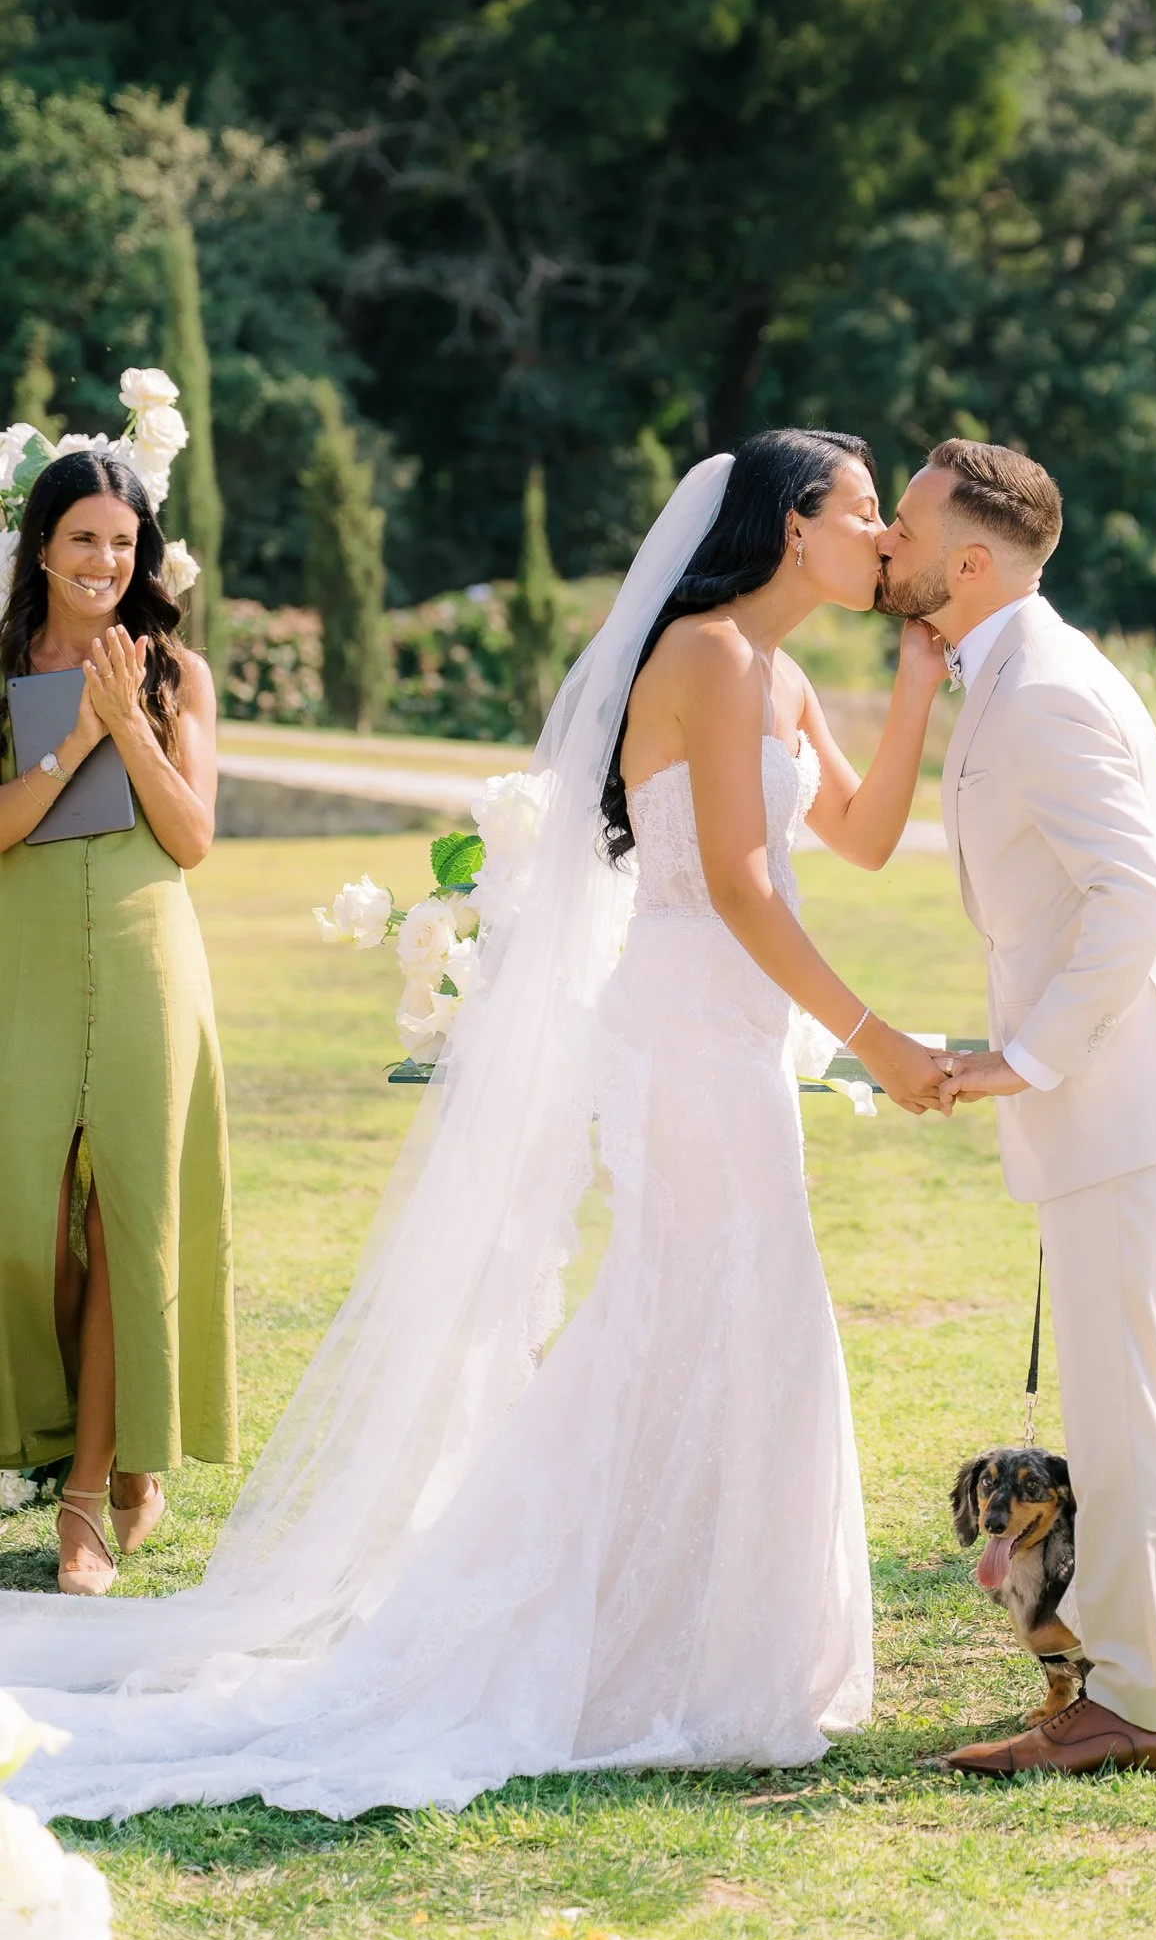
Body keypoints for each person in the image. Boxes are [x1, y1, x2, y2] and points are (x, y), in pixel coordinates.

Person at [1, 432, 950, 1819]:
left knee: (732, 1318)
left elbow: (859, 837)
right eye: (862, 514)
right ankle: (624, 1634)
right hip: (690, 1029)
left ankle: (700, 1635)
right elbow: (743, 891)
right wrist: (879, 1042)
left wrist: (919, 685)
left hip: (736, 1030)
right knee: (706, 1311)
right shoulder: (703, 656)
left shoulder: (782, 673)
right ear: (790, 525)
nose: (882, 539)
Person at [878, 439, 1156, 1777]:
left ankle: (1130, 1700)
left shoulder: (1039, 690)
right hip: (1149, 1094)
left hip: (1117, 1109)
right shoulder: (1036, 666)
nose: (885, 539)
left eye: (907, 525)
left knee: (1126, 1414)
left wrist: (1038, 1052)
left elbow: (1148, 895)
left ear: (967, 561)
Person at [0, 448, 233, 1599]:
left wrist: (127, 720)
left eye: (124, 543)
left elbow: (192, 836)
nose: (105, 562)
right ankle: (76, 1441)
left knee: (130, 1215)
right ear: (40, 543)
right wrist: (74, 741)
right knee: (27, 1224)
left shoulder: (177, 671)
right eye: (84, 537)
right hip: (24, 964)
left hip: (148, 958)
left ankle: (92, 1494)